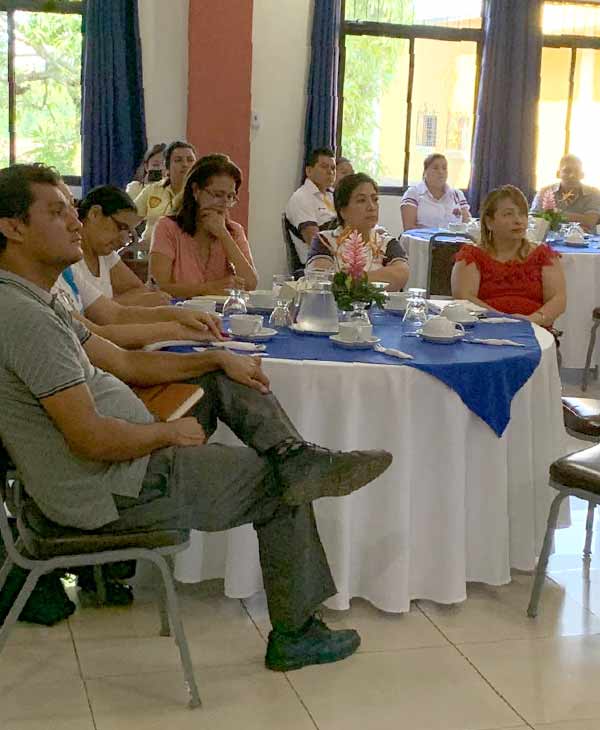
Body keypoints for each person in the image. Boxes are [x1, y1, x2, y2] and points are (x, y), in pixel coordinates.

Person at [0, 163, 393, 671]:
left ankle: (295, 454)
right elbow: (90, 439)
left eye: (71, 211)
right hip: (109, 488)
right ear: (11, 227)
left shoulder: (40, 297)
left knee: (222, 376)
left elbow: (123, 360)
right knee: (279, 485)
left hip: (122, 465)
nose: (75, 223)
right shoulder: (25, 318)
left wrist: (213, 357)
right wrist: (167, 432)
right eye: (57, 213)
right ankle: (297, 631)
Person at [451, 185, 566, 326]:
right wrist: (502, 320)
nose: (518, 220)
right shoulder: (472, 256)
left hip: (534, 330)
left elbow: (558, 299)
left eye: (522, 214)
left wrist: (532, 320)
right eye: (508, 214)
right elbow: (464, 298)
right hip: (484, 328)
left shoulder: (543, 255)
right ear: (489, 222)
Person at [149, 154, 258, 296]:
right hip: (177, 313)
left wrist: (224, 235)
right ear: (196, 191)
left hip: (221, 315)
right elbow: (158, 287)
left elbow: (250, 284)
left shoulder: (234, 230)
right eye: (218, 195)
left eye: (230, 197)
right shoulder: (167, 227)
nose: (224, 203)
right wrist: (210, 288)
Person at [306, 173, 409, 291]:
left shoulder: (386, 242)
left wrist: (355, 279)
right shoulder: (325, 241)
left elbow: (401, 274)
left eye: (375, 199)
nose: (372, 207)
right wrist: (376, 278)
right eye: (361, 200)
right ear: (343, 211)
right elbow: (321, 280)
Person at [74, 185, 171, 306]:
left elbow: (138, 290)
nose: (123, 241)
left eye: (129, 232)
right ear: (95, 214)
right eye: (121, 227)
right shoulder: (68, 258)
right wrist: (133, 301)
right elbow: (83, 312)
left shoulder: (105, 254)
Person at [134, 141, 197, 248]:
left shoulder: (201, 194)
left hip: (185, 252)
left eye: (190, 160)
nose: (185, 164)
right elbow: (128, 218)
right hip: (148, 252)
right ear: (167, 166)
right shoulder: (153, 189)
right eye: (178, 160)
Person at [285, 147, 337, 265]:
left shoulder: (333, 196)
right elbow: (314, 241)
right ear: (309, 171)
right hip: (318, 264)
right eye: (324, 167)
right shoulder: (301, 198)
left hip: (340, 258)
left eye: (333, 168)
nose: (330, 171)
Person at [531, 154, 600, 232]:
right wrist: (580, 219)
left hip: (584, 242)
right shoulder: (544, 192)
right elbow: (533, 220)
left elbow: (590, 221)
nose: (572, 175)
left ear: (582, 175)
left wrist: (555, 213)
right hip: (550, 241)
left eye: (577, 171)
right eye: (567, 171)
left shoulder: (594, 193)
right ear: (558, 174)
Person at [400, 153, 470, 230]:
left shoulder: (457, 195)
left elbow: (467, 224)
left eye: (444, 168)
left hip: (454, 241)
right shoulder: (413, 194)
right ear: (425, 171)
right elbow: (409, 228)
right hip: (423, 241)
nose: (441, 172)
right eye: (435, 168)